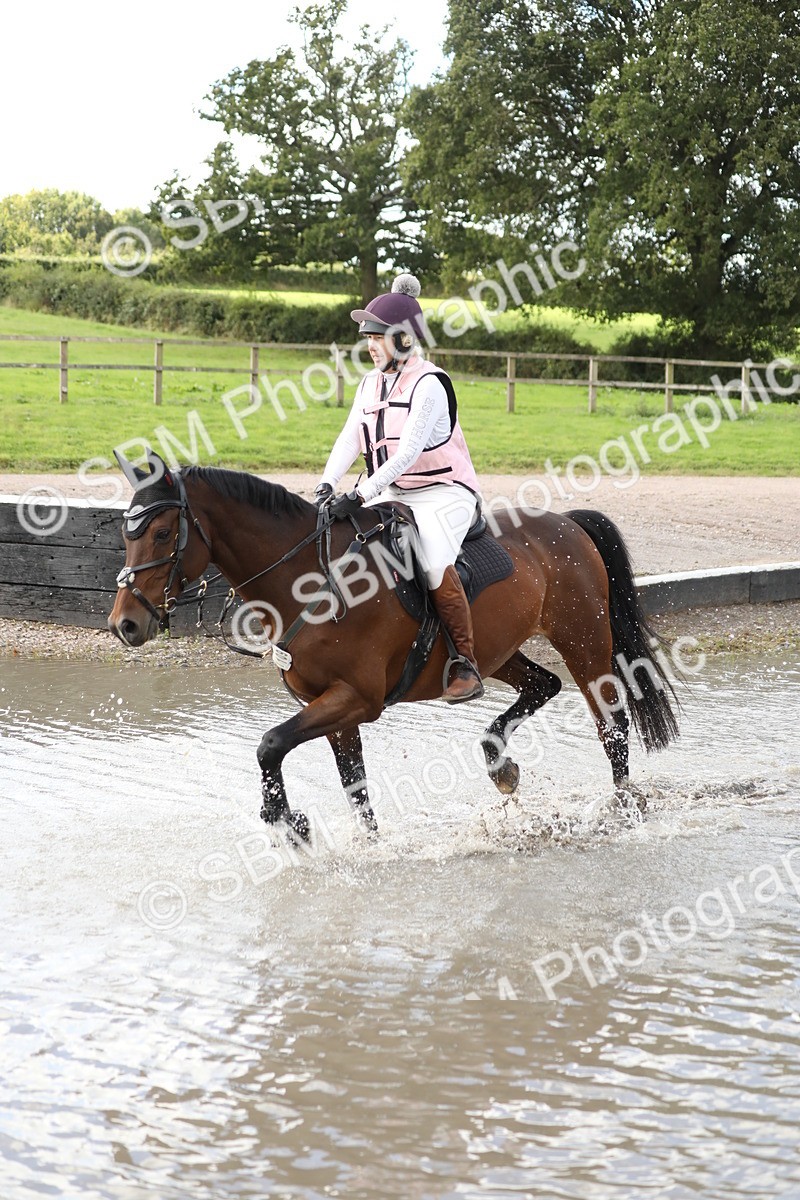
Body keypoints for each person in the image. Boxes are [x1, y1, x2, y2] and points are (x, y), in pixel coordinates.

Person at [314, 274, 484, 703]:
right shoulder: (370, 383)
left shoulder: (430, 384)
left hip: (444, 491)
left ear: (405, 340)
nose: (370, 346)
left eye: (378, 337)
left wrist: (361, 494)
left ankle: (465, 664)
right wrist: (326, 484)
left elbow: (407, 452)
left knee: (433, 563)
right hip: (394, 490)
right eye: (368, 338)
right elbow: (350, 438)